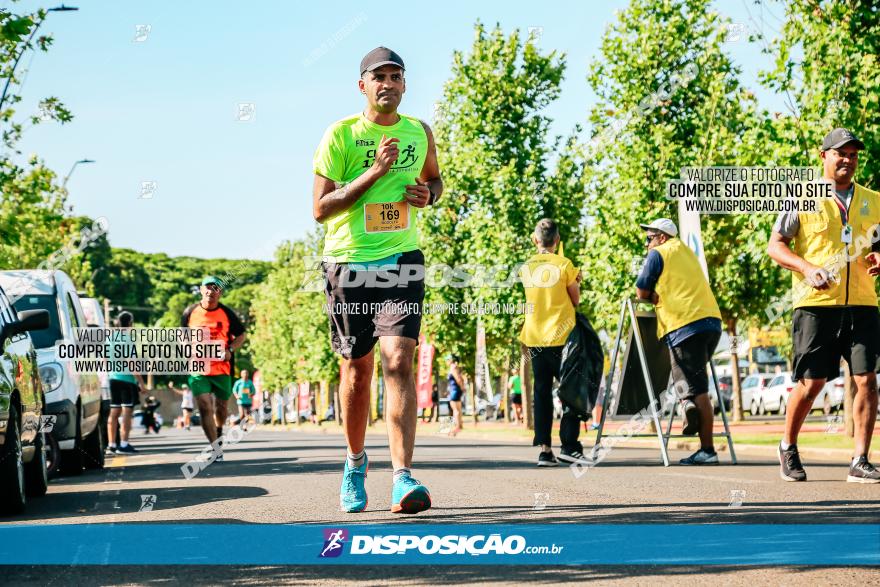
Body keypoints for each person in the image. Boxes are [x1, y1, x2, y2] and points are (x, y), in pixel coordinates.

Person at [312, 47, 443, 513]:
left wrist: (428, 194)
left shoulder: (419, 132)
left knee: (399, 363)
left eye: (395, 76)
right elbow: (320, 209)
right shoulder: (341, 134)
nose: (387, 83)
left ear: (405, 85)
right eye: (378, 76)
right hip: (347, 263)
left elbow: (435, 180)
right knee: (356, 371)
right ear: (362, 86)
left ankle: (403, 478)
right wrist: (376, 172)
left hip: (401, 259)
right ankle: (354, 462)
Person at [767, 128, 880, 483]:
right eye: (840, 153)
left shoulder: (874, 200)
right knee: (812, 382)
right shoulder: (801, 196)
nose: (847, 159)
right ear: (823, 156)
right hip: (815, 304)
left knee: (867, 379)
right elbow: (776, 246)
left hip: (862, 302)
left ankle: (860, 459)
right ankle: (788, 446)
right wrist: (806, 267)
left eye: (853, 154)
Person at [636, 218, 722, 465]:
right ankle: (687, 407)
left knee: (698, 390)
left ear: (662, 237)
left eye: (649, 238)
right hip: (712, 322)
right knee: (695, 381)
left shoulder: (658, 254)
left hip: (684, 324)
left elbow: (641, 291)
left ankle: (707, 449)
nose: (647, 244)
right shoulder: (687, 252)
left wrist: (655, 297)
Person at [519, 219, 587, 467]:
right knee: (570, 390)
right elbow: (575, 300)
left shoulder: (526, 267)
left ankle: (545, 450)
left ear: (535, 240)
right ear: (557, 240)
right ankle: (569, 446)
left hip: (535, 338)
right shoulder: (565, 264)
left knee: (542, 393)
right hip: (563, 337)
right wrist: (577, 281)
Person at [181, 276, 247, 462]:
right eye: (207, 287)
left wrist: (230, 349)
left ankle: (218, 430)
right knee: (204, 406)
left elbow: (241, 335)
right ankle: (215, 447)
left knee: (221, 408)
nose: (211, 291)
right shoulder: (190, 312)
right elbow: (182, 334)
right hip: (198, 368)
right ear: (201, 290)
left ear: (220, 292)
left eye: (215, 288)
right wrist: (186, 346)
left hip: (222, 369)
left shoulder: (227, 313)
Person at [106, 311, 146, 454]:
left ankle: (111, 445)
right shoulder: (128, 339)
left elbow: (104, 360)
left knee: (114, 412)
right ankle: (123, 444)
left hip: (113, 379)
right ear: (130, 323)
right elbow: (132, 364)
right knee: (127, 413)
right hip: (127, 381)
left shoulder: (109, 338)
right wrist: (141, 383)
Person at [446, 355, 465, 435]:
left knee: (455, 410)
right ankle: (460, 426)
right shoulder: (456, 367)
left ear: (451, 360)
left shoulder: (453, 367)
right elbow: (461, 378)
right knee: (458, 409)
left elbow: (458, 379)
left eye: (447, 360)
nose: (446, 362)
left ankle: (456, 428)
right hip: (456, 390)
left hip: (454, 390)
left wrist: (462, 387)